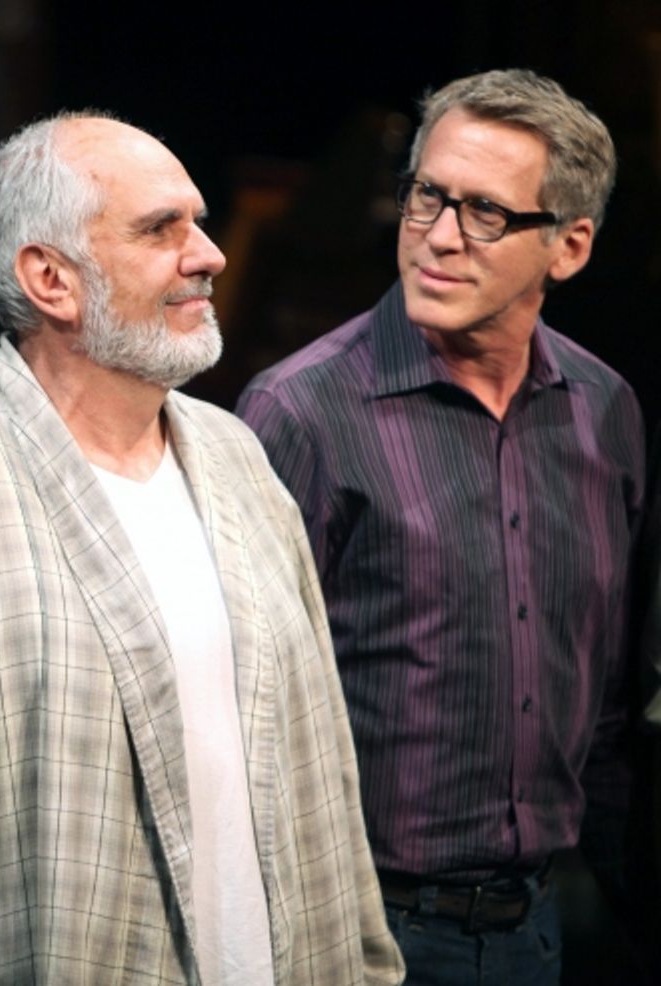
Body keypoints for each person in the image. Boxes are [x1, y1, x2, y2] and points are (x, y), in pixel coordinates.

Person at [0, 112, 403, 986]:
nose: (208, 254)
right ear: (51, 278)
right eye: (160, 229)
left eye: (197, 224)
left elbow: (322, 765)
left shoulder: (237, 461)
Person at [236, 69, 643, 985]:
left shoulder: (604, 410)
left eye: (488, 214)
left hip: (542, 922)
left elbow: (608, 695)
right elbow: (243, 710)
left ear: (569, 247)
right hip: (359, 927)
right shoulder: (300, 413)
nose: (441, 239)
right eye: (429, 197)